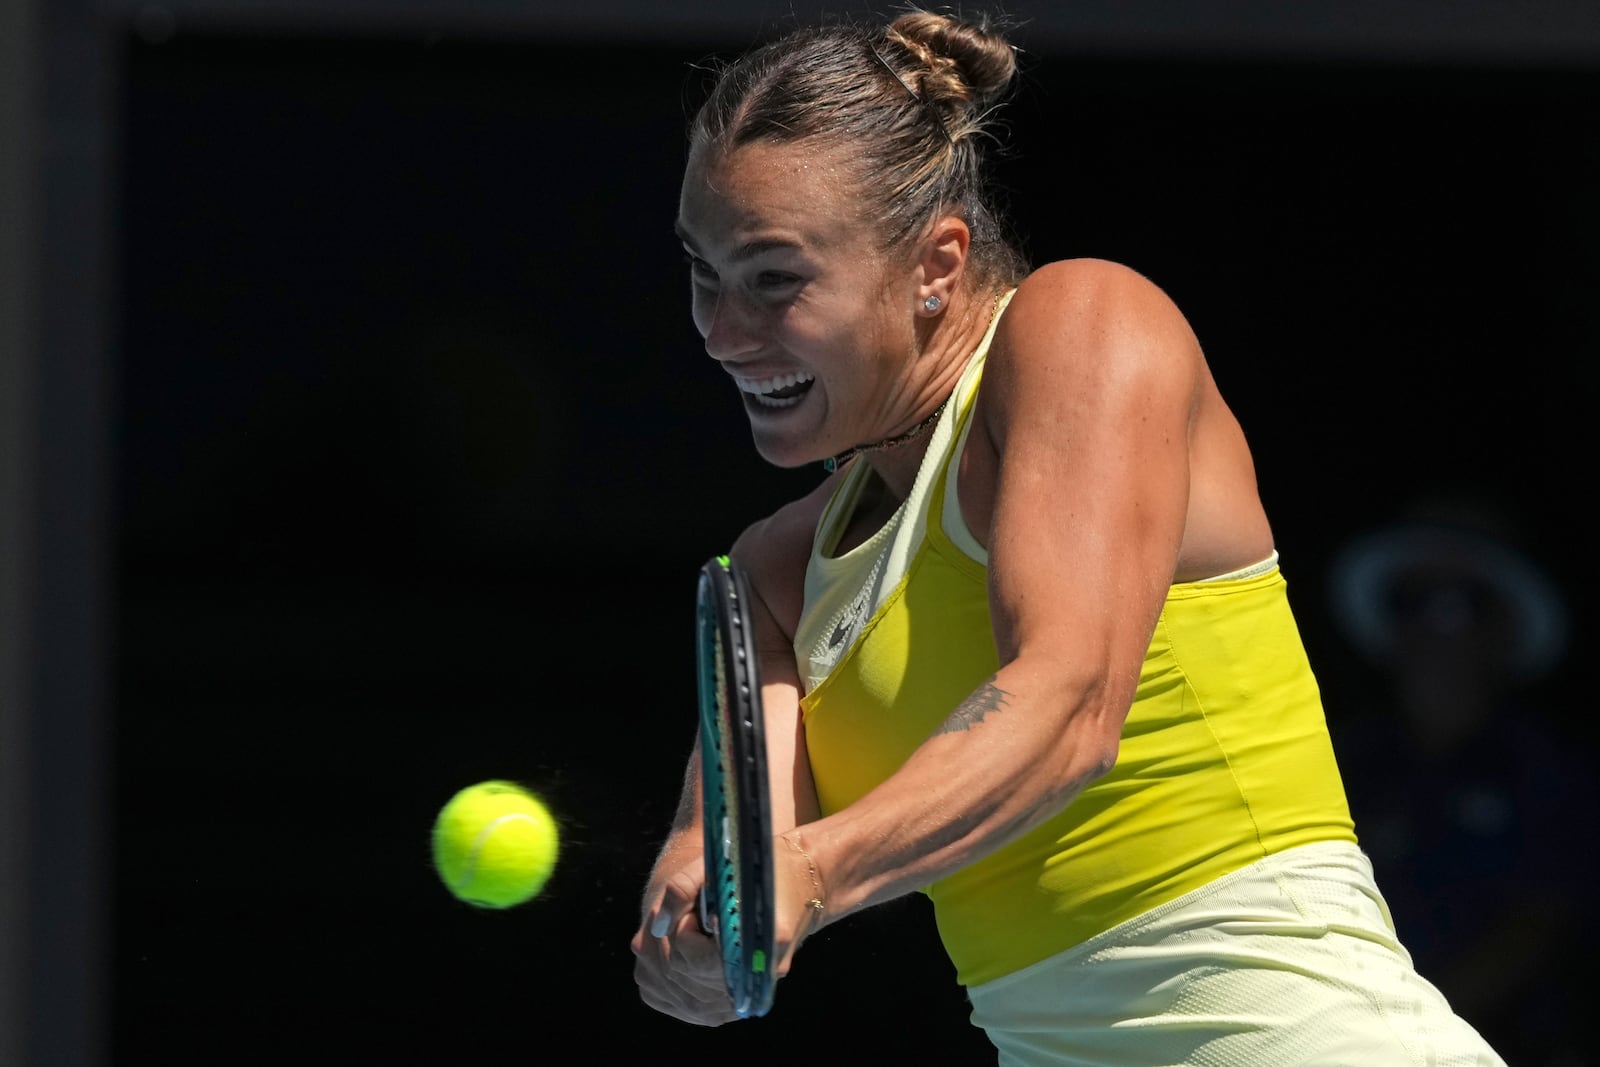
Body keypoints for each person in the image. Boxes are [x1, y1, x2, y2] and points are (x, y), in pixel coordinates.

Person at [630, 8, 1507, 1064]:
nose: (721, 330)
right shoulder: (774, 572)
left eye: (774, 278)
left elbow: (1069, 705)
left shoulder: (1086, 322)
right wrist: (693, 939)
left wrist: (812, 873)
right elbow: (737, 868)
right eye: (702, 271)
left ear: (936, 263)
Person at [1325, 494, 1589, 1065]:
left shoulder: (1552, 771)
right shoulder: (1336, 758)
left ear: (1508, 629)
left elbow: (1539, 926)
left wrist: (1407, 1036)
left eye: (1469, 604)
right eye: (1414, 601)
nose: (1439, 627)